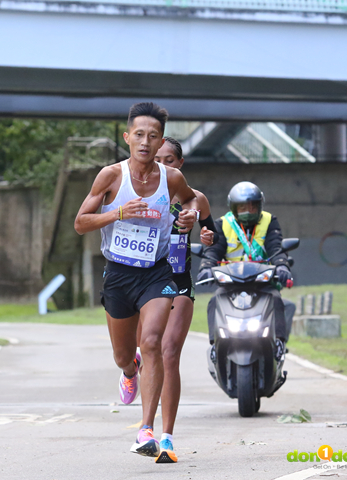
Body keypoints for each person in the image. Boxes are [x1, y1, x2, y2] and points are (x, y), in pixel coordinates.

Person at [74, 102, 199, 462]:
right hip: (119, 273)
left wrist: (189, 217)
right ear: (127, 137)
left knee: (153, 342)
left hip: (157, 272)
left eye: (153, 136)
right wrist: (117, 213)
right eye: (139, 135)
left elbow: (191, 202)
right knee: (123, 355)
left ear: (161, 141)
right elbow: (81, 222)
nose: (146, 142)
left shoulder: (171, 178)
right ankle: (130, 372)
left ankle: (146, 430)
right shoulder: (111, 176)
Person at [132, 136, 218, 462]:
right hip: (145, 284)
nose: (163, 164)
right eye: (158, 158)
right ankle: (133, 368)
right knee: (146, 347)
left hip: (179, 282)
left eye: (170, 160)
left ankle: (164, 437)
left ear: (179, 165)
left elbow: (211, 236)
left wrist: (208, 238)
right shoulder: (141, 194)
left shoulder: (195, 199)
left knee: (169, 353)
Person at [197, 181, 296, 357]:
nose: (248, 211)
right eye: (242, 207)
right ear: (233, 208)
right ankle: (215, 345)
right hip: (230, 282)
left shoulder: (269, 221)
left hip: (263, 281)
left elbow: (276, 248)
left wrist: (281, 265)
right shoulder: (222, 224)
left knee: (276, 299)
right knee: (215, 300)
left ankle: (279, 344)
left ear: (260, 205)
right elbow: (213, 250)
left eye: (252, 206)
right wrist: (206, 267)